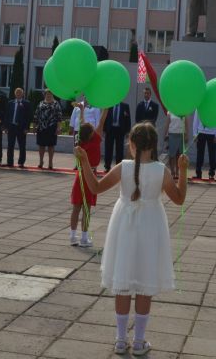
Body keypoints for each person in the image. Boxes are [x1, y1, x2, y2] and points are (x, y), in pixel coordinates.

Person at [74, 123, 187, 356]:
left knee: (123, 283)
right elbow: (179, 199)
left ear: (132, 145)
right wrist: (183, 170)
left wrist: (85, 161)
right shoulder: (161, 170)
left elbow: (94, 187)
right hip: (151, 226)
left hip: (124, 226)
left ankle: (120, 339)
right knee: (145, 283)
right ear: (154, 146)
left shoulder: (123, 167)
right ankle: (138, 341)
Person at [70, 110, 107, 248]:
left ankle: (73, 236)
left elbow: (81, 125)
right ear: (91, 134)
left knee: (76, 207)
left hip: (79, 176)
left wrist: (81, 113)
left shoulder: (79, 144)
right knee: (86, 209)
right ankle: (84, 238)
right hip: (90, 175)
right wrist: (107, 109)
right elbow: (101, 122)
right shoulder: (95, 141)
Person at [35, 90, 63, 170]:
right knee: (41, 145)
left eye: (50, 94)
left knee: (51, 146)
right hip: (41, 127)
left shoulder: (56, 104)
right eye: (47, 94)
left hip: (52, 127)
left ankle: (50, 162)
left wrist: (58, 127)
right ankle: (41, 162)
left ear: (52, 95)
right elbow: (36, 114)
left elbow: (59, 116)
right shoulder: (41, 103)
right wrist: (34, 126)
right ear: (45, 94)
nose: (48, 95)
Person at [4, 88, 32, 167]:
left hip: (22, 128)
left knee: (22, 145)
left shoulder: (26, 103)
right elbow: (7, 115)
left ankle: (21, 162)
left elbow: (29, 117)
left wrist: (27, 128)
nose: (18, 94)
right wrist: (5, 127)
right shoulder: (10, 103)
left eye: (20, 93)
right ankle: (10, 162)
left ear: (22, 94)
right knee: (10, 145)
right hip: (11, 127)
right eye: (17, 92)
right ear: (15, 94)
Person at [103, 100, 132, 171]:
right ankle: (107, 166)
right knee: (108, 148)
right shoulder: (109, 105)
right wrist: (103, 129)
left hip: (120, 130)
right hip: (110, 129)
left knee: (119, 149)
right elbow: (104, 118)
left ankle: (118, 167)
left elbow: (128, 119)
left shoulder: (125, 106)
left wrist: (128, 131)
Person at [192, 110, 216, 180]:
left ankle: (212, 173)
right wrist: (195, 134)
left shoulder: (215, 105)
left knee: (212, 154)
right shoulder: (199, 106)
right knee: (200, 153)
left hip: (212, 133)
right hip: (201, 132)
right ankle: (198, 173)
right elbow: (196, 120)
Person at [161, 111, 189, 180]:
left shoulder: (184, 111)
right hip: (172, 134)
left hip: (181, 134)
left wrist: (187, 135)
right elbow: (167, 124)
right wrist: (165, 134)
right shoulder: (170, 112)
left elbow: (186, 124)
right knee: (172, 155)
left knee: (179, 155)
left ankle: (177, 172)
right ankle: (172, 172)